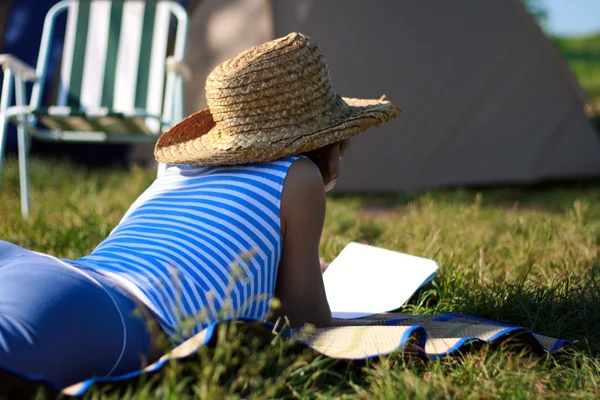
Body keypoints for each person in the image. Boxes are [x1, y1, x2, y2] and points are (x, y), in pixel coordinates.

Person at [0, 32, 401, 390]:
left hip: (51, 270)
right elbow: (307, 322)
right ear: (328, 141)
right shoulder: (299, 176)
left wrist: (303, 265)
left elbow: (204, 246)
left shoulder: (184, 168)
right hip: (112, 312)